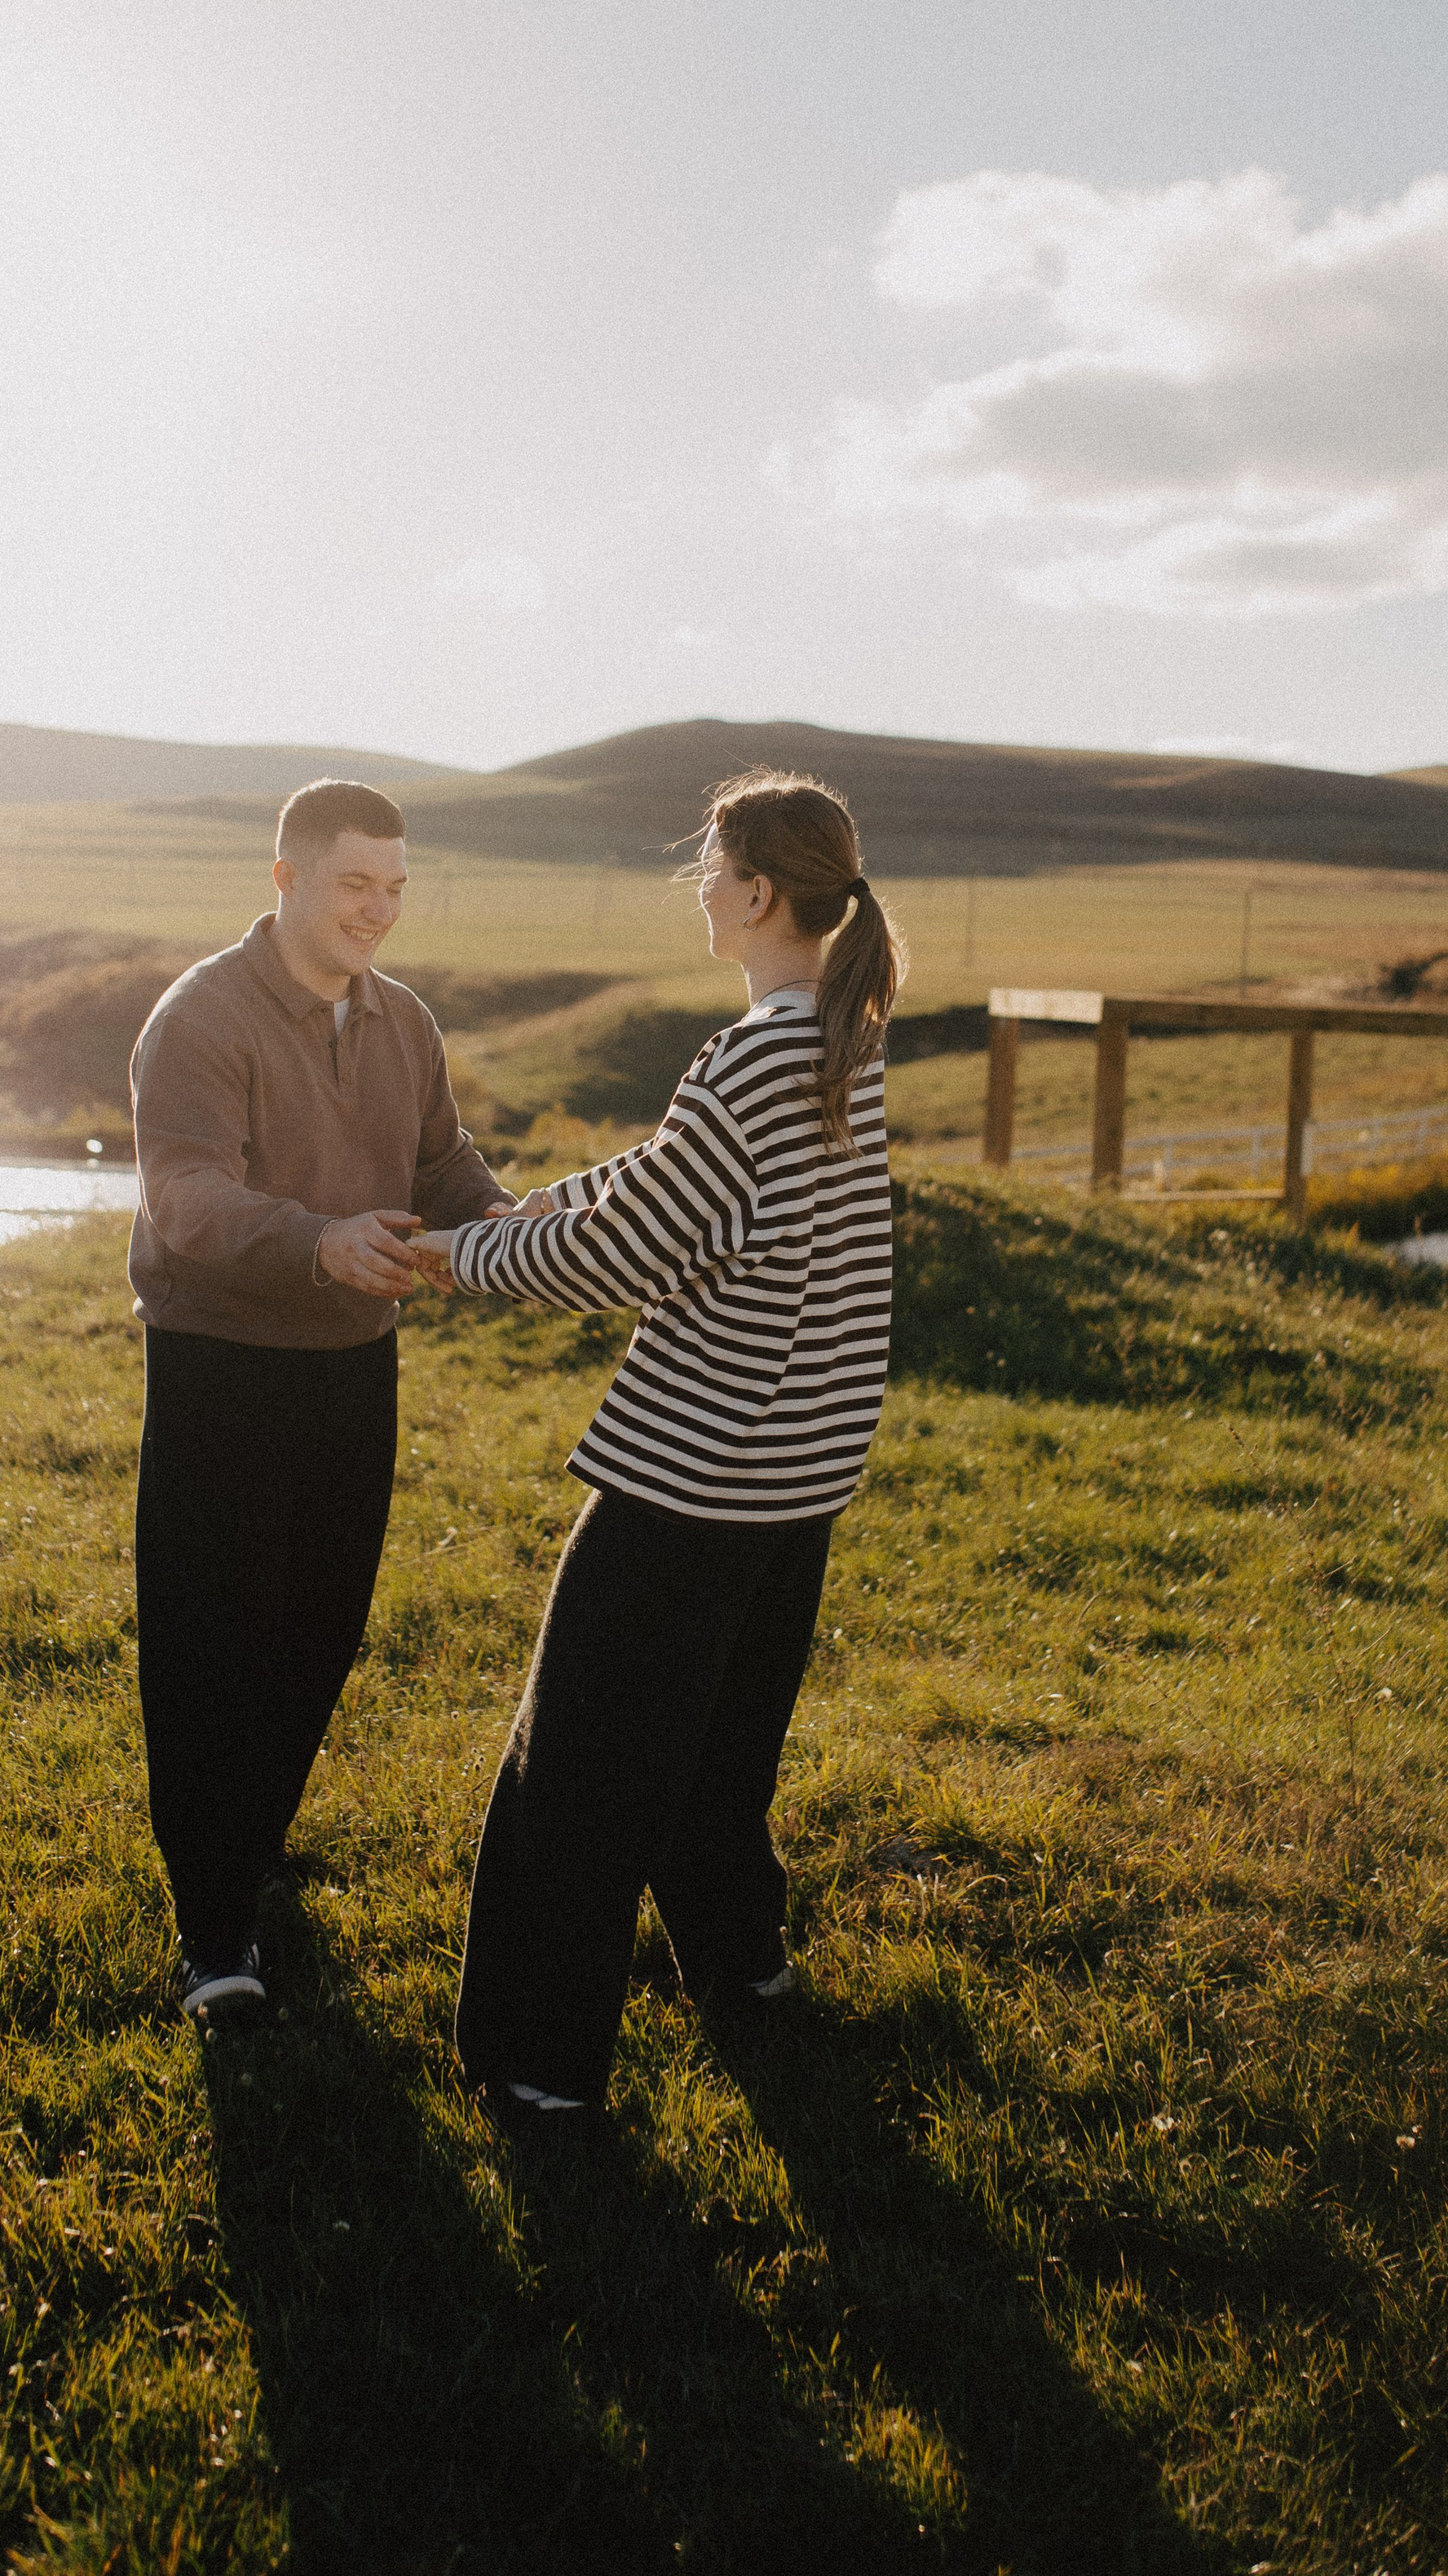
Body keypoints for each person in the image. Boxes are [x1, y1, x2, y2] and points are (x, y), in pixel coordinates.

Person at [415, 770, 905, 2128]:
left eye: (709, 870)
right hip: (794, 1482)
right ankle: (743, 1971)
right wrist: (514, 1217)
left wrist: (456, 1259)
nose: (698, 891)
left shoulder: (757, 1051)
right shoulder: (846, 1040)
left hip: (695, 1482)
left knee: (571, 1773)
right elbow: (653, 1188)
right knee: (717, 1756)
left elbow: (627, 1245)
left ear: (756, 892)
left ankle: (537, 2067)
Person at [128, 777, 512, 2020]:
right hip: (222, 1365)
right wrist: (316, 1240)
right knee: (212, 1644)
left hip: (357, 1363)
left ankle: (247, 1840)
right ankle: (214, 1931)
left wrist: (514, 1225)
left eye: (396, 888)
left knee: (320, 1630)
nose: (380, 911)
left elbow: (441, 1164)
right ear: (286, 878)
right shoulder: (201, 1017)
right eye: (358, 885)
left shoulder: (404, 1021)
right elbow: (184, 1200)